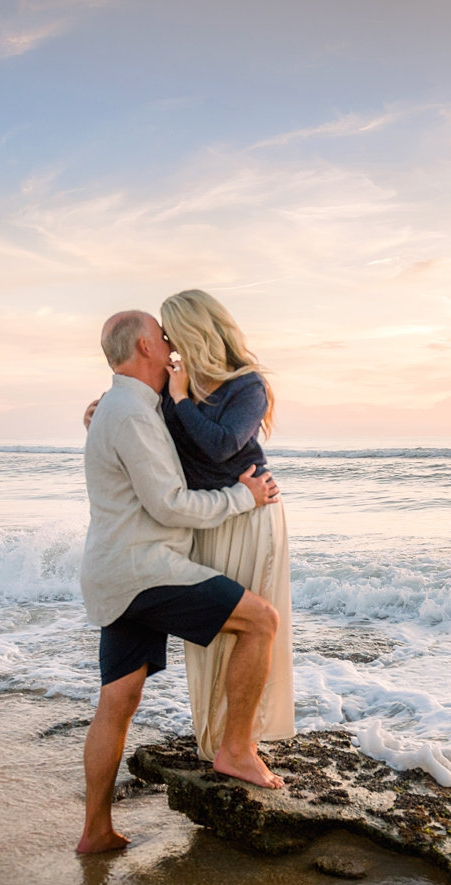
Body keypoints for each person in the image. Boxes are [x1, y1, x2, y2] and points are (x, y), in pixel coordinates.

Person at [77, 309, 283, 855]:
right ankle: (236, 750)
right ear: (145, 345)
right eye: (163, 337)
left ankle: (96, 830)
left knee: (118, 699)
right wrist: (246, 497)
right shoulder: (131, 414)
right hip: (147, 571)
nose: (172, 345)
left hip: (114, 574)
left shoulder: (129, 407)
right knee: (262, 621)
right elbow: (169, 506)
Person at [159, 289, 295, 762]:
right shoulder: (172, 382)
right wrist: (98, 413)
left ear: (195, 330)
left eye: (171, 331)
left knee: (251, 624)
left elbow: (221, 445)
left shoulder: (247, 386)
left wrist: (179, 402)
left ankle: (242, 740)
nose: (166, 342)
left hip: (252, 515)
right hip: (207, 516)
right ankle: (216, 741)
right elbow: (146, 430)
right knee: (216, 628)